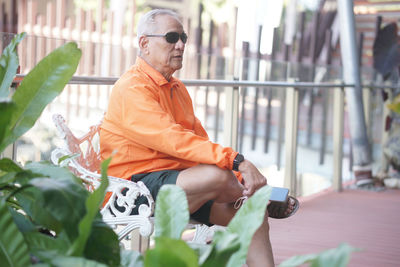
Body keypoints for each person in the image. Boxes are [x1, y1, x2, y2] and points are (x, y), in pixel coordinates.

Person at [100, 9, 298, 267]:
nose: (181, 44)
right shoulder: (132, 88)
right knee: (219, 176)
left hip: (179, 183)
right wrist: (239, 163)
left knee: (253, 213)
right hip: (131, 188)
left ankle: (254, 198)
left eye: (183, 37)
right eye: (172, 37)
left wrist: (238, 172)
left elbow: (197, 142)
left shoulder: (177, 88)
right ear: (144, 43)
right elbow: (174, 140)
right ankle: (256, 194)